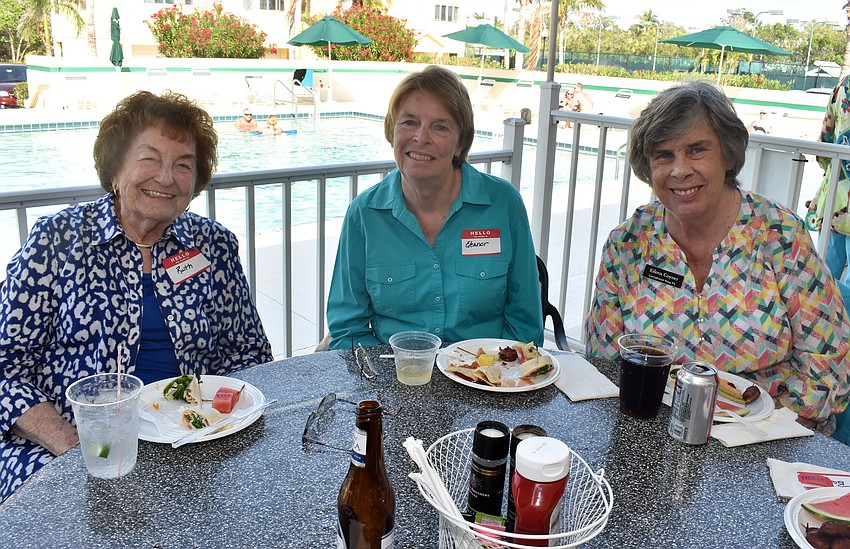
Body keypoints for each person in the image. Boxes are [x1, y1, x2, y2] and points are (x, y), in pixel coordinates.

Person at [0, 91, 274, 503]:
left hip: (195, 443)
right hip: (71, 447)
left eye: (183, 165)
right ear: (114, 168)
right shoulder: (56, 241)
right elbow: (6, 368)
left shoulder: (213, 245)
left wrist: (221, 427)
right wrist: (81, 450)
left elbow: (248, 353)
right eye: (148, 158)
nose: (166, 177)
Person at [585, 80, 850, 437]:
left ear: (727, 154)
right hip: (653, 428)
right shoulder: (629, 244)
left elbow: (827, 365)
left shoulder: (780, 237)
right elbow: (604, 360)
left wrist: (766, 434)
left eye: (696, 150)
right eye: (664, 155)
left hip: (769, 439)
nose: (679, 170)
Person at [326, 65, 543, 349]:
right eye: (409, 122)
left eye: (440, 127)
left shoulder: (503, 204)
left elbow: (525, 323)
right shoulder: (364, 215)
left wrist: (497, 375)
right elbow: (348, 328)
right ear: (392, 131)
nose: (421, 137)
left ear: (460, 143)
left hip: (488, 379)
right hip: (395, 378)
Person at [807, 75, 850, 292]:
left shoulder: (844, 85)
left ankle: (823, 319)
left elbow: (826, 138)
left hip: (836, 192)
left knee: (826, 270)